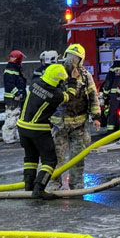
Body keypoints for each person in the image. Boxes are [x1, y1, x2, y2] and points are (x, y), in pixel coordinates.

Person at [17, 64, 76, 199]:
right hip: (38, 129)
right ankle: (39, 188)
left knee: (30, 158)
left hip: (22, 127)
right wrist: (72, 80)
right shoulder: (54, 94)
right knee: (49, 161)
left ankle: (29, 186)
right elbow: (69, 97)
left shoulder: (35, 83)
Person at [50, 44, 102, 190]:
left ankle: (76, 183)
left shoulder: (85, 76)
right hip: (59, 125)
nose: (71, 60)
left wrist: (96, 116)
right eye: (70, 57)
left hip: (79, 125)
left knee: (77, 157)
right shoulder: (56, 72)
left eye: (76, 58)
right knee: (56, 157)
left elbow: (93, 97)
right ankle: (55, 182)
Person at [2, 50, 26, 144]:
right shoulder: (11, 70)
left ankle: (14, 136)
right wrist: (17, 93)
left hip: (16, 97)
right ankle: (8, 137)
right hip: (12, 98)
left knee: (17, 117)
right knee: (11, 118)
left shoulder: (15, 69)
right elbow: (9, 84)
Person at [100, 49, 120, 131]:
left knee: (112, 112)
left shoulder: (113, 68)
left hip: (114, 95)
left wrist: (105, 93)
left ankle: (110, 130)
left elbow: (108, 81)